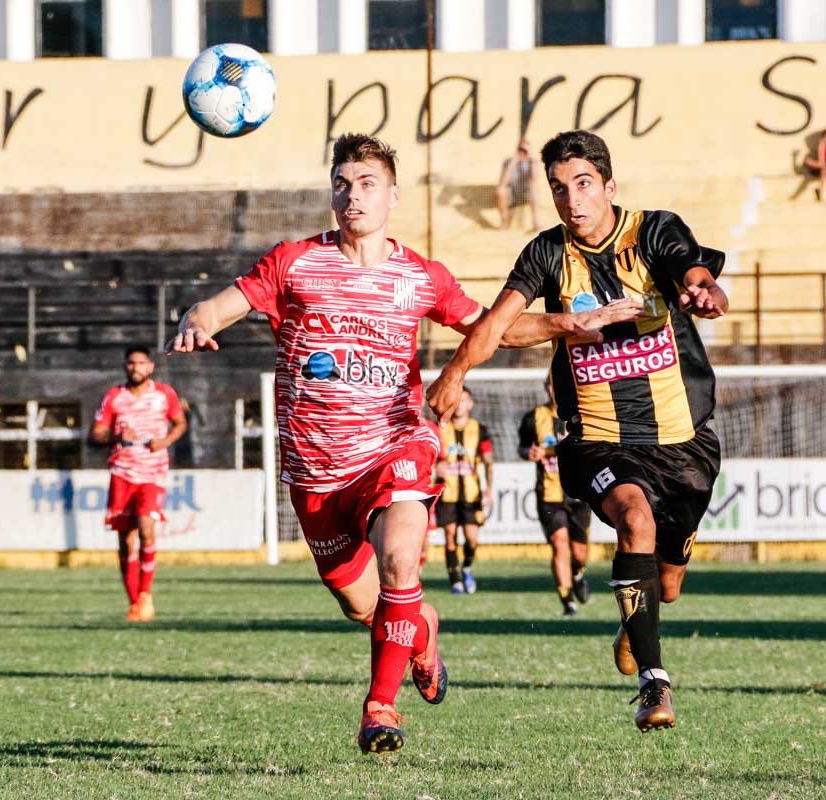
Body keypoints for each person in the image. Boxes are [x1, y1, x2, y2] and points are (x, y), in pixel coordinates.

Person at [166, 133, 639, 753]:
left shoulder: (420, 276)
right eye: (342, 184)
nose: (353, 196)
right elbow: (222, 306)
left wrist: (565, 322)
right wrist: (197, 318)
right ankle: (421, 633)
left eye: (367, 184)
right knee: (362, 606)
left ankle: (380, 709)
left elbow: (493, 328)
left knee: (400, 560)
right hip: (315, 470)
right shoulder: (294, 262)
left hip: (396, 444)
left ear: (393, 195)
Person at [427, 129, 727, 733]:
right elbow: (497, 325)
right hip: (596, 437)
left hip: (682, 440)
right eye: (559, 188)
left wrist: (705, 288)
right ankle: (654, 685)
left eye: (584, 184)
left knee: (668, 587)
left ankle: (636, 621)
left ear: (609, 186)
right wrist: (455, 371)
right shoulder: (546, 253)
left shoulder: (652, 231)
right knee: (634, 520)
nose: (572, 200)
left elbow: (692, 269)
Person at [89, 346, 188, 623]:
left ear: (150, 366)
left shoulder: (164, 394)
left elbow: (180, 423)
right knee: (125, 540)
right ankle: (134, 602)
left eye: (141, 363)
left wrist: (165, 442)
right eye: (131, 363)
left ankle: (145, 593)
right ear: (125, 366)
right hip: (122, 475)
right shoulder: (114, 396)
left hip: (153, 474)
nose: (136, 368)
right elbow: (95, 435)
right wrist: (116, 437)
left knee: (146, 527)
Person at [518, 375, 591, 616]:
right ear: (546, 388)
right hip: (548, 495)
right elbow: (523, 447)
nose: (555, 388)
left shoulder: (582, 415)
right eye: (551, 384)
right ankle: (567, 601)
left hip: (578, 495)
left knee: (580, 554)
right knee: (559, 544)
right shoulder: (533, 417)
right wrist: (528, 452)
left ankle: (577, 574)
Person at [434, 388, 493, 594]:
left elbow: (488, 461)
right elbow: (428, 456)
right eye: (457, 400)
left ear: (471, 404)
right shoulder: (439, 428)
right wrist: (435, 467)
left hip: (471, 493)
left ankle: (467, 566)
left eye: (464, 400)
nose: (460, 404)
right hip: (447, 492)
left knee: (472, 538)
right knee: (450, 535)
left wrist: (489, 489)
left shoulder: (480, 429)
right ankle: (455, 580)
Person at [497, 139, 540, 229]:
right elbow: (503, 182)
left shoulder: (532, 161)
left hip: (526, 193)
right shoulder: (508, 162)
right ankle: (505, 221)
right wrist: (512, 163)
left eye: (525, 151)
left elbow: (534, 179)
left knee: (534, 186)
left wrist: (531, 161)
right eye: (520, 149)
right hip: (511, 194)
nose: (522, 153)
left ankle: (535, 221)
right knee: (501, 190)